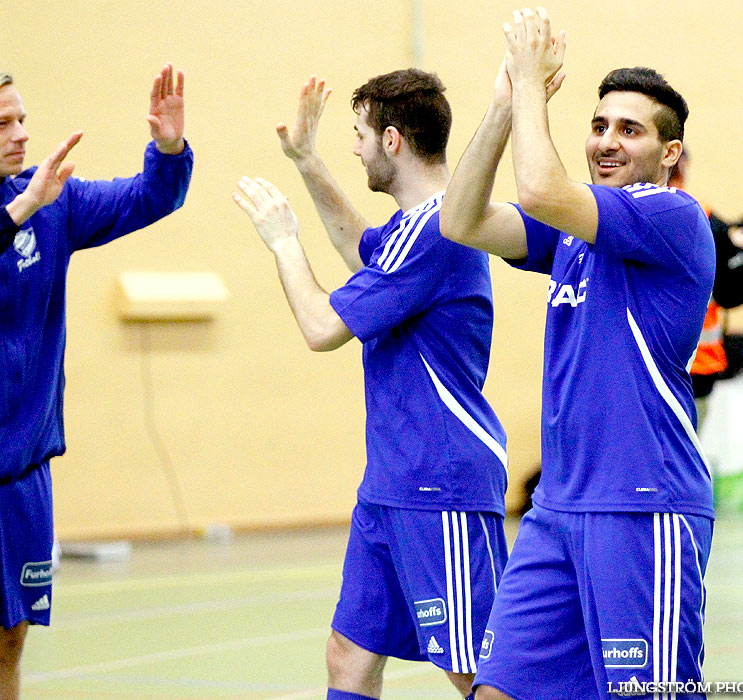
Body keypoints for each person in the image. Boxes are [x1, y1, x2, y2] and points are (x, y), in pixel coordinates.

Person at [440, 8, 715, 700]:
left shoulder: (671, 216)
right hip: (556, 514)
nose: (606, 141)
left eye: (630, 129)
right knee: (496, 692)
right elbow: (461, 219)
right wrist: (505, 105)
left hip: (643, 508)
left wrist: (534, 86)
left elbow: (539, 189)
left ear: (669, 153)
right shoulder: (575, 230)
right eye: (597, 125)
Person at [233, 71, 508, 700]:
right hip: (391, 483)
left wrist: (282, 241)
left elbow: (322, 325)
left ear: (391, 140)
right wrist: (307, 161)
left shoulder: (435, 231)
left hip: (442, 483)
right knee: (348, 658)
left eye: (357, 136)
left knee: (480, 675)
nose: (353, 149)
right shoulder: (415, 232)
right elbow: (361, 249)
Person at [0, 64, 192, 699]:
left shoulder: (53, 202)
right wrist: (20, 209)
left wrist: (167, 151)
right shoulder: (34, 201)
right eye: (5, 123)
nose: (22, 133)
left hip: (22, 473)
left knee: (10, 637)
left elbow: (148, 198)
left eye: (23, 118)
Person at [668, 150, 743, 425]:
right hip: (697, 365)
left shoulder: (627, 212)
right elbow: (734, 295)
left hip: (664, 366)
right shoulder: (704, 215)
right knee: (685, 455)